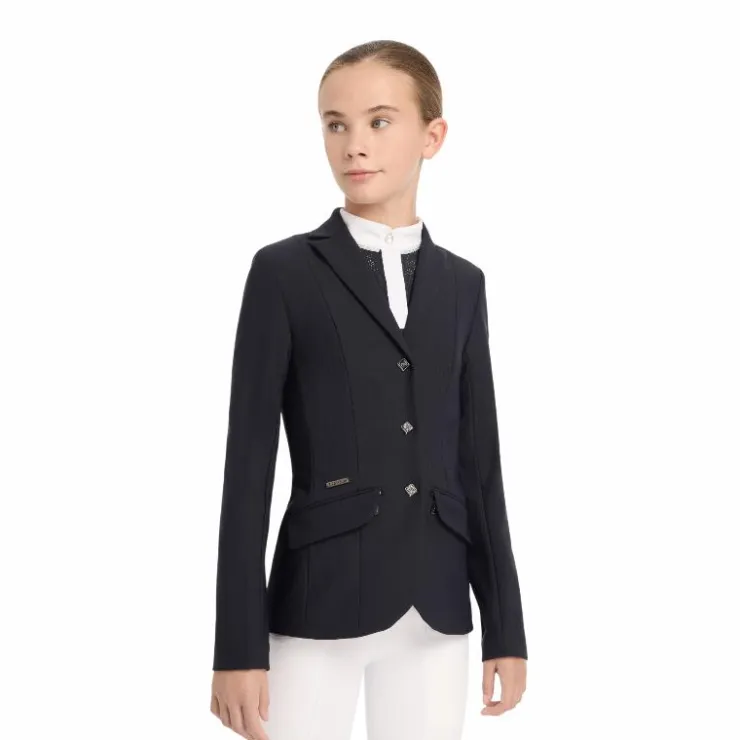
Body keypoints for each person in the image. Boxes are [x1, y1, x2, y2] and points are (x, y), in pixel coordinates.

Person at [210, 39, 528, 740]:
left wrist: (505, 628)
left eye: (380, 121)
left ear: (432, 136)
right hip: (316, 605)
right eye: (336, 123)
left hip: (436, 612)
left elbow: (480, 465)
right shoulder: (284, 272)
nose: (354, 144)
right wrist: (236, 647)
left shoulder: (463, 284)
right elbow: (248, 469)